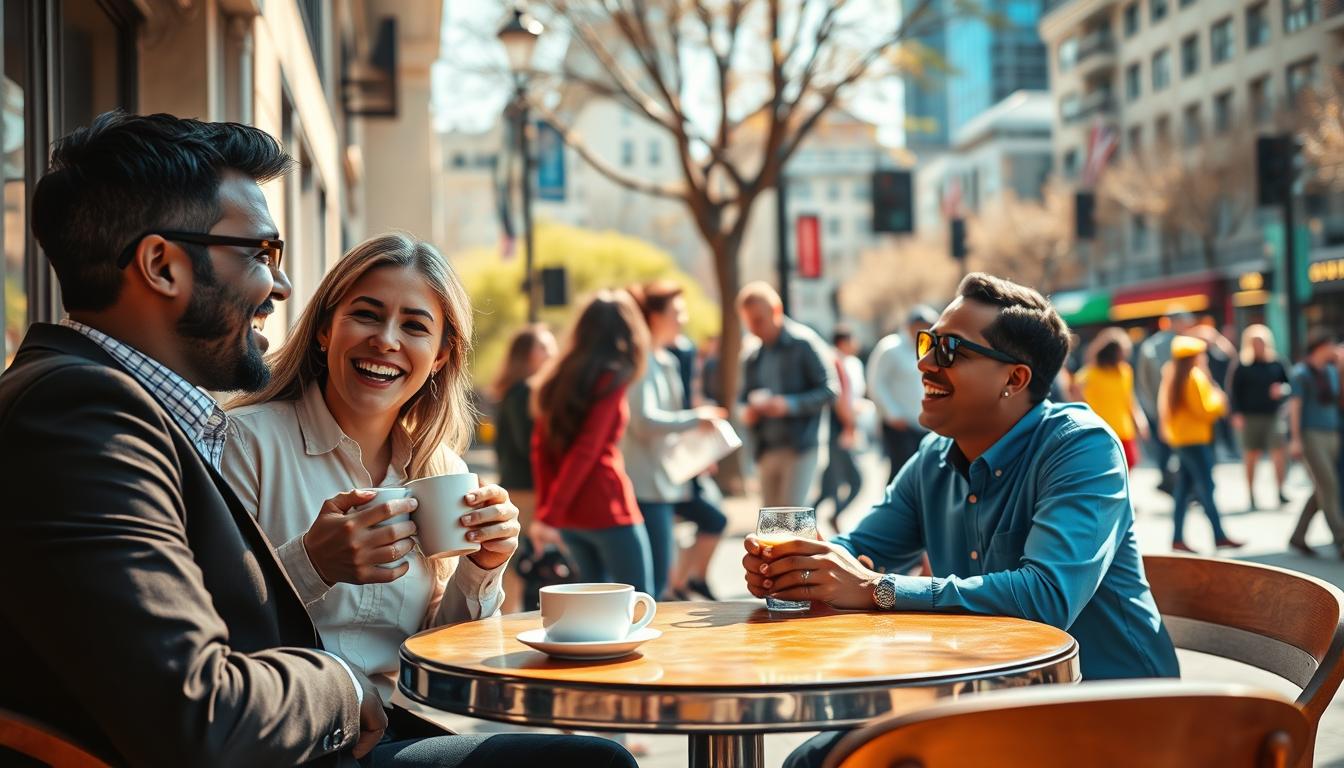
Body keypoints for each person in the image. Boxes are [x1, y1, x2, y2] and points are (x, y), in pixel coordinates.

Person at [0, 111, 375, 766]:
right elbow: (197, 716)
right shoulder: (80, 416)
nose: (283, 286)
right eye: (261, 253)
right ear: (161, 266)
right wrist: (343, 686)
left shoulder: (113, 408)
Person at [741, 274, 1179, 768]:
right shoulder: (935, 458)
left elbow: (1047, 598)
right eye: (927, 342)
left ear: (1014, 380)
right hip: (992, 706)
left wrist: (879, 589)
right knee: (819, 757)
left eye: (950, 350)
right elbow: (859, 551)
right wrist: (803, 566)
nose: (924, 361)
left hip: (1113, 720)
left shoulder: (1080, 446)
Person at [532, 291, 654, 592]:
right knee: (643, 602)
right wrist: (551, 515)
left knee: (591, 610)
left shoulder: (557, 376)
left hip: (571, 519)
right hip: (607, 508)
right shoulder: (612, 376)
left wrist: (549, 512)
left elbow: (541, 449)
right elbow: (588, 449)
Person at [622, 281, 726, 600]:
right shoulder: (642, 361)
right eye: (676, 312)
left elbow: (665, 422)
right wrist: (698, 418)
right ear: (654, 317)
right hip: (646, 486)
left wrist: (697, 456)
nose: (683, 318)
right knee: (650, 586)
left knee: (657, 582)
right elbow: (644, 421)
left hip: (664, 482)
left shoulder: (664, 359)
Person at [738, 282, 839, 507]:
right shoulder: (752, 354)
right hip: (766, 448)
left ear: (776, 311)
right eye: (749, 322)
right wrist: (747, 412)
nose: (754, 328)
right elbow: (742, 400)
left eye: (758, 320)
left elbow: (830, 390)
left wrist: (789, 405)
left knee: (792, 523)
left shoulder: (803, 343)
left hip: (801, 447)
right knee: (772, 528)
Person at [489, 324, 559, 612]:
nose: (553, 352)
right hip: (527, 488)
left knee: (518, 561)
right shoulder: (523, 392)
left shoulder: (513, 391)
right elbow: (528, 445)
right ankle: (510, 622)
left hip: (518, 485)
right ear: (528, 354)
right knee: (522, 563)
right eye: (545, 346)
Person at [1159, 336, 1242, 553]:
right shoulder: (1193, 377)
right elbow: (1204, 409)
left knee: (1183, 490)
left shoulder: (1172, 375)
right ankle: (1219, 535)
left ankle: (1178, 538)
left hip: (1183, 440)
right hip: (1196, 440)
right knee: (1206, 487)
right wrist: (1220, 402)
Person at [666, 331, 731, 601]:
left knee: (711, 518)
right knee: (712, 519)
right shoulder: (673, 361)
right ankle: (684, 581)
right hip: (669, 472)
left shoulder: (682, 357)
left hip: (684, 467)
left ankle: (684, 581)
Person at [1288, 330, 1343, 557]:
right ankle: (1341, 539)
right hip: (1311, 435)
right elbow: (1295, 407)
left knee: (1322, 487)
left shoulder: (1331, 371)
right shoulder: (1301, 373)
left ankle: (1298, 536)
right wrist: (1296, 439)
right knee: (1328, 484)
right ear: (1320, 347)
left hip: (1331, 433)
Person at [867, 306, 937, 482]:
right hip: (898, 424)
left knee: (920, 472)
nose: (923, 329)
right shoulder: (890, 347)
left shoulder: (926, 348)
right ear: (908, 326)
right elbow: (876, 383)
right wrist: (893, 414)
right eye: (919, 324)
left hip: (922, 423)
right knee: (901, 473)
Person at [1229, 324, 1291, 511]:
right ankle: (1251, 494)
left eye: (1262, 342)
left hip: (1273, 415)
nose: (1259, 346)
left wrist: (1282, 391)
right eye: (1255, 342)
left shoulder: (1277, 363)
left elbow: (1290, 387)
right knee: (1251, 455)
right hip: (1250, 416)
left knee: (1278, 453)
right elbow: (1234, 392)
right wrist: (1236, 414)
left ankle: (1280, 490)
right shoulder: (1242, 365)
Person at [1136, 313, 1197, 493]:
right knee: (1177, 449)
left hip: (1163, 407)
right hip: (1174, 408)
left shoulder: (1156, 345)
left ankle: (1173, 482)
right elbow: (1147, 380)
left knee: (1168, 449)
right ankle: (1179, 485)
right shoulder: (1175, 345)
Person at [1074, 328, 1149, 470]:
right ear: (1111, 352)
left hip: (1125, 430)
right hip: (1102, 431)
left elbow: (1130, 399)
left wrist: (1140, 420)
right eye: (1122, 351)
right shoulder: (1090, 374)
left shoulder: (1125, 371)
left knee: (1129, 464)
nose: (1126, 355)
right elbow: (1076, 395)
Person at [813, 325, 865, 532]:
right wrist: (849, 426)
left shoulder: (841, 362)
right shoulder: (834, 362)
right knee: (854, 481)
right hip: (837, 430)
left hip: (836, 429)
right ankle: (827, 518)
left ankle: (805, 523)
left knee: (829, 488)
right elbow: (840, 400)